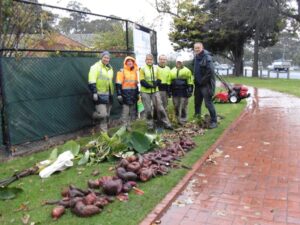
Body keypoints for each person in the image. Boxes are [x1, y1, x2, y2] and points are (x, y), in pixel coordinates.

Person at [139, 54, 173, 131]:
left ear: (153, 60)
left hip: (155, 91)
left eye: (150, 59)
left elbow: (159, 78)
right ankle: (150, 126)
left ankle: (167, 124)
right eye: (148, 59)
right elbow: (142, 80)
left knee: (160, 108)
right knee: (148, 109)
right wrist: (149, 85)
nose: (149, 61)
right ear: (145, 60)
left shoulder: (156, 68)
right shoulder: (142, 68)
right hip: (145, 91)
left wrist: (156, 83)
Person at [88, 51, 114, 132]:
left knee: (107, 116)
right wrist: (94, 92)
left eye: (108, 58)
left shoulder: (110, 68)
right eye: (105, 57)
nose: (106, 59)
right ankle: (94, 115)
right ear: (101, 57)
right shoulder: (95, 67)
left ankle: (105, 134)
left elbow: (109, 81)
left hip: (109, 95)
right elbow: (91, 80)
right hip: (99, 95)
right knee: (103, 115)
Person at [193, 42, 217, 129]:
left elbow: (210, 71)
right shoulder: (196, 57)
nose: (197, 49)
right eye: (195, 48)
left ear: (202, 48)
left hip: (206, 85)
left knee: (208, 103)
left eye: (198, 48)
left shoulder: (207, 57)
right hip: (198, 85)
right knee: (197, 103)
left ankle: (214, 121)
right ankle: (197, 119)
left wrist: (202, 81)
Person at [115, 56, 139, 129]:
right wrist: (119, 94)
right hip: (125, 95)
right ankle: (124, 127)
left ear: (133, 62)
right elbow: (118, 84)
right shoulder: (121, 71)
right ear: (125, 63)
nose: (130, 62)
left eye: (131, 61)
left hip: (134, 94)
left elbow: (138, 84)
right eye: (128, 61)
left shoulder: (136, 72)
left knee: (133, 112)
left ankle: (131, 126)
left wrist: (138, 93)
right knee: (125, 112)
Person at [170, 56, 193, 125]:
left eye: (180, 62)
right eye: (178, 62)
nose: (179, 63)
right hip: (175, 91)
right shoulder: (172, 71)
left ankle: (184, 119)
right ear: (176, 62)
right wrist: (169, 90)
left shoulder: (187, 70)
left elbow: (190, 80)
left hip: (184, 91)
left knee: (183, 106)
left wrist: (190, 89)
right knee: (176, 105)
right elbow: (170, 81)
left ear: (183, 62)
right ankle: (177, 119)